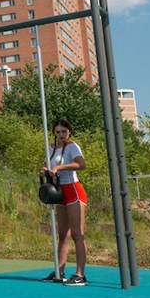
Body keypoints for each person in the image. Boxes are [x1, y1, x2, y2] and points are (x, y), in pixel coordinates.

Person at [41, 118, 88, 286]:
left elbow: (81, 164)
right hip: (59, 192)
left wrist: (59, 168)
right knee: (63, 234)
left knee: (77, 233)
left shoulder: (72, 147)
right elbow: (47, 166)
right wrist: (45, 171)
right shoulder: (51, 149)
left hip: (73, 190)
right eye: (58, 132)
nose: (61, 135)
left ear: (69, 132)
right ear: (54, 132)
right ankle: (59, 270)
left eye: (64, 131)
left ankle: (80, 274)